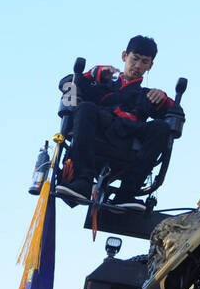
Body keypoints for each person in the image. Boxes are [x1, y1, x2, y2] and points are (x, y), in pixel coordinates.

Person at [57, 35, 178, 206]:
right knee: (86, 108)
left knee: (160, 128)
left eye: (144, 62)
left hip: (128, 139)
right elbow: (67, 84)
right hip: (99, 132)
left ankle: (127, 194)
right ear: (124, 56)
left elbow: (176, 113)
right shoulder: (101, 84)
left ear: (150, 66)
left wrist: (165, 99)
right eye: (134, 59)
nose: (137, 66)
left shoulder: (147, 96)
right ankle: (82, 182)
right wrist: (92, 74)